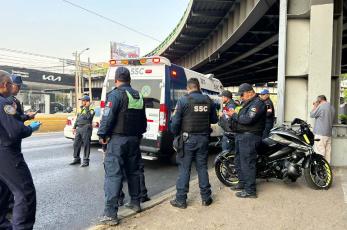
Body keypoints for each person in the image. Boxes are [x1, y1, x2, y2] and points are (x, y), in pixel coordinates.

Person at [97, 67, 147, 226]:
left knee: (113, 175)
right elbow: (144, 123)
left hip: (118, 141)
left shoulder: (115, 94)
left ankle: (111, 214)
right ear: (129, 80)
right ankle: (135, 203)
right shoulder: (139, 96)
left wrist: (102, 135)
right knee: (133, 172)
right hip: (134, 140)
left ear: (116, 80)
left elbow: (107, 118)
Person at [0, 70, 41, 230]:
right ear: (5, 85)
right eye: (11, 83)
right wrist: (29, 129)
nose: (13, 87)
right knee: (25, 193)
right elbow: (15, 130)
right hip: (6, 153)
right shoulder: (4, 103)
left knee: (3, 192)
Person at [170, 78, 218, 209]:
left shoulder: (183, 101)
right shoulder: (208, 100)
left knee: (185, 169)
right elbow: (214, 119)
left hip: (187, 140)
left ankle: (181, 200)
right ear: (198, 87)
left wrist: (175, 135)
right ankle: (206, 198)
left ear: (188, 88)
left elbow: (175, 124)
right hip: (203, 139)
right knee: (202, 167)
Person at [226, 83, 266, 198]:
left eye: (242, 95)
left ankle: (250, 191)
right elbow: (242, 118)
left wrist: (234, 115)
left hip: (250, 137)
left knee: (247, 164)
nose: (241, 97)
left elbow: (248, 119)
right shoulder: (247, 103)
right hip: (241, 136)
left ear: (249, 92)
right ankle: (242, 183)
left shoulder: (257, 103)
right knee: (239, 161)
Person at [70, 95, 95, 167]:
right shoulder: (82, 109)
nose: (82, 102)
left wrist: (87, 107)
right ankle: (77, 159)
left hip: (86, 128)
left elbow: (89, 117)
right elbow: (78, 118)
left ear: (87, 102)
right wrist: (74, 127)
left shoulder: (91, 109)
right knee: (76, 144)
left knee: (86, 145)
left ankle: (86, 161)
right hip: (79, 128)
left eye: (83, 100)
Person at [310, 95, 335, 163]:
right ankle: (327, 170)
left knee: (319, 153)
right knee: (327, 153)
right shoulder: (332, 107)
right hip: (328, 134)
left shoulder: (321, 106)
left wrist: (315, 106)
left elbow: (312, 114)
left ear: (319, 100)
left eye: (317, 101)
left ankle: (320, 171)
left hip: (320, 134)